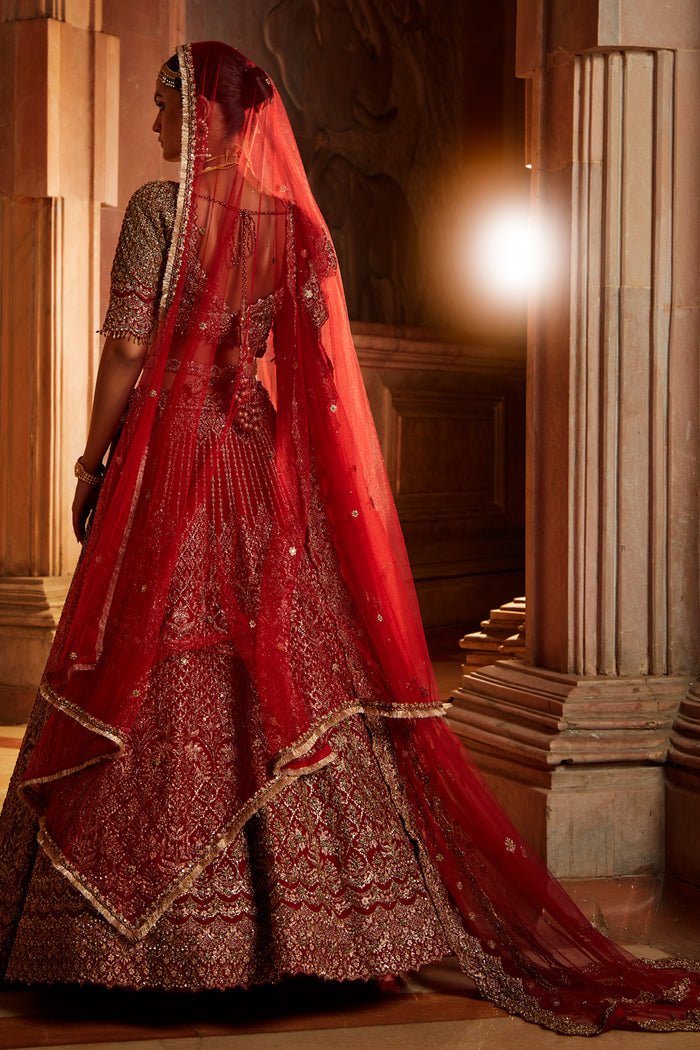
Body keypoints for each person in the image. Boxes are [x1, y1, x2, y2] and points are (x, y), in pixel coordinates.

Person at [0, 41, 699, 1034]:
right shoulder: (290, 227)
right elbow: (319, 377)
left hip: (171, 460)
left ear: (203, 117)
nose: (160, 127)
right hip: (248, 450)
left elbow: (124, 344)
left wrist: (88, 457)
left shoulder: (161, 211)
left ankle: (135, 942)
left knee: (150, 659)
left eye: (168, 109)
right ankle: (318, 928)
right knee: (270, 663)